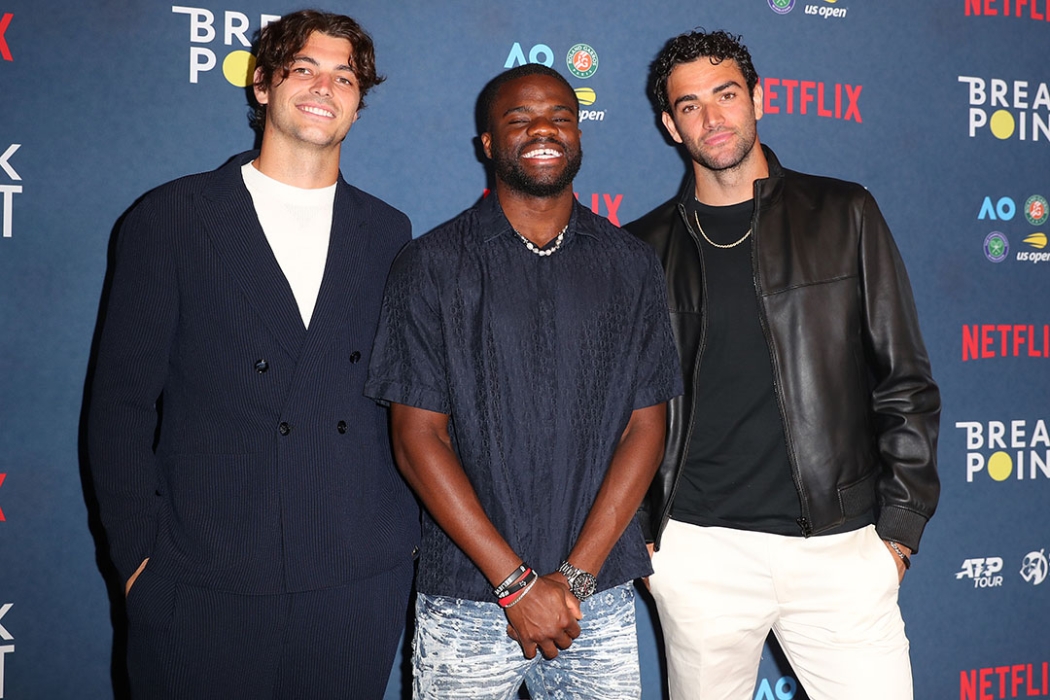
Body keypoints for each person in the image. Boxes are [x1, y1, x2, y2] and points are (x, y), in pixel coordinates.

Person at [87, 10, 417, 698]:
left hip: (353, 581)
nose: (325, 87)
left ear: (358, 103)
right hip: (203, 577)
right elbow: (119, 405)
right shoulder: (173, 217)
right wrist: (139, 562)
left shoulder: (388, 232)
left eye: (345, 77)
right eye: (304, 68)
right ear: (262, 84)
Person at [625, 29, 941, 700]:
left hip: (840, 550)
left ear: (759, 99)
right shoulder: (642, 250)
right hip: (699, 554)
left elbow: (905, 381)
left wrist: (899, 534)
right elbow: (619, 411)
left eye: (726, 94)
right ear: (670, 125)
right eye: (689, 105)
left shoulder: (844, 213)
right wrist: (644, 541)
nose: (712, 118)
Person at [364, 63, 683, 699]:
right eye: (520, 119)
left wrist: (575, 578)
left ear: (579, 136)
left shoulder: (631, 265)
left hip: (595, 598)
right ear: (488, 143)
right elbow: (417, 438)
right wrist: (516, 585)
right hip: (467, 597)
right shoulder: (430, 265)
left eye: (561, 117)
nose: (543, 129)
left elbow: (647, 426)